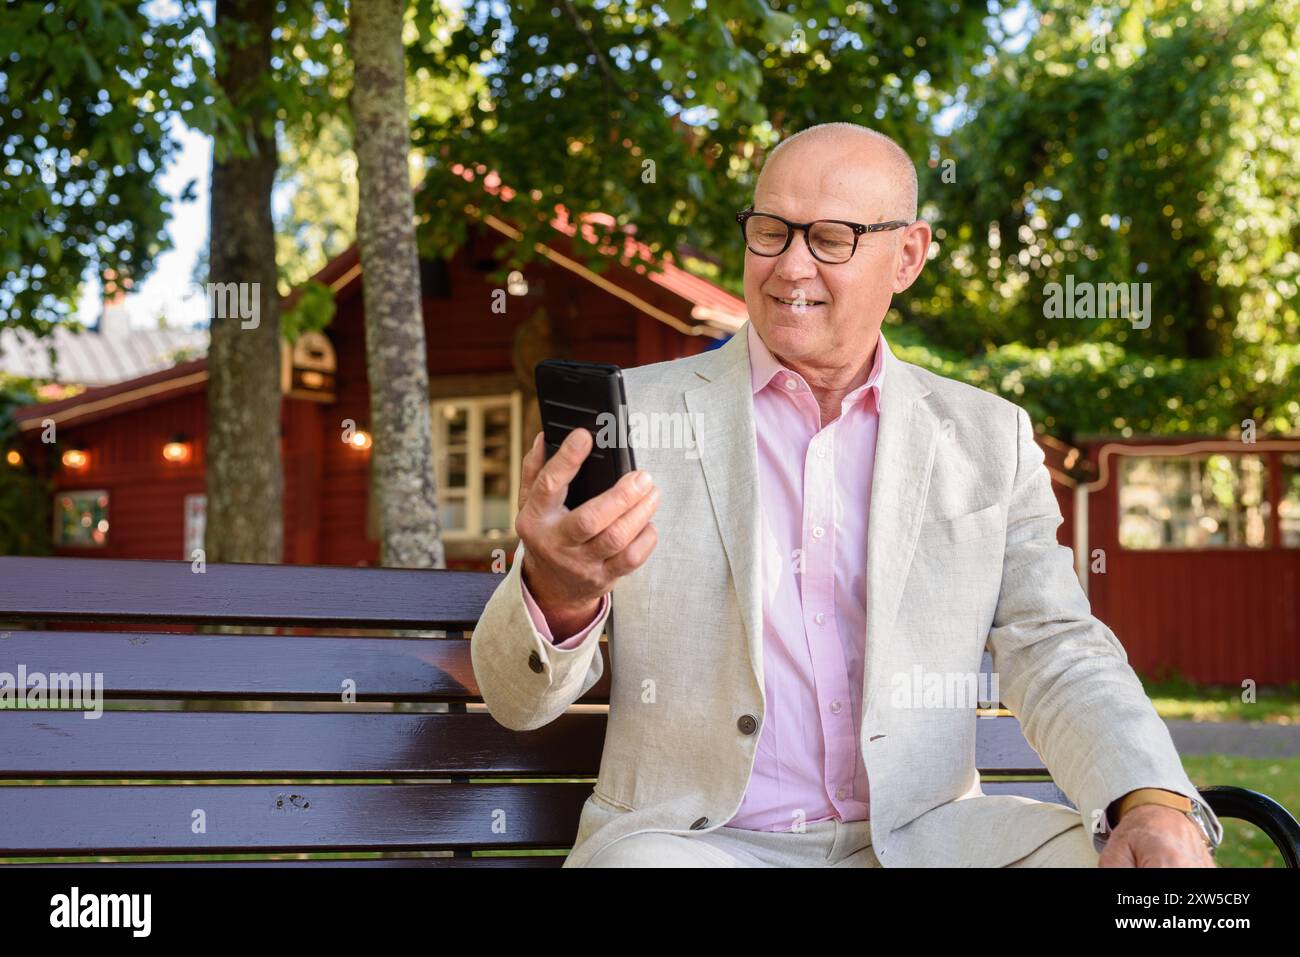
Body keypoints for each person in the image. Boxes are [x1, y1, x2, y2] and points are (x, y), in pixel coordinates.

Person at [470, 122, 1222, 867]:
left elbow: (1057, 647)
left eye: (830, 238)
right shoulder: (631, 419)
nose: (789, 266)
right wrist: (558, 593)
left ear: (907, 255)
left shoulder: (989, 437)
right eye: (770, 231)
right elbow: (513, 699)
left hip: (927, 840)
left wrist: (1150, 800)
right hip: (696, 843)